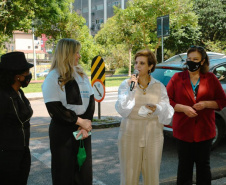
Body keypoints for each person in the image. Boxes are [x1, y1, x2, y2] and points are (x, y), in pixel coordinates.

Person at [166, 45, 226, 185]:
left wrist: (206, 104)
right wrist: (181, 108)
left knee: (203, 167)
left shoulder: (211, 78)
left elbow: (222, 100)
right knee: (184, 168)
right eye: (189, 59)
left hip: (205, 131)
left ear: (203, 61)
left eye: (196, 59)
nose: (191, 62)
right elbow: (166, 100)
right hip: (183, 131)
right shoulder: (177, 78)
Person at [115, 49, 174, 185]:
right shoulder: (126, 85)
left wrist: (157, 108)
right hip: (130, 133)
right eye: (136, 63)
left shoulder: (159, 86)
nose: (137, 66)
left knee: (152, 176)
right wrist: (131, 91)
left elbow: (168, 113)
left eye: (142, 63)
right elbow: (122, 110)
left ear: (150, 66)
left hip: (153, 134)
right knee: (129, 176)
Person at [42, 38, 94, 185]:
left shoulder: (81, 74)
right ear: (67, 54)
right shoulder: (52, 78)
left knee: (83, 173)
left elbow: (90, 100)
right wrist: (80, 121)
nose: (79, 56)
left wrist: (86, 122)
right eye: (76, 52)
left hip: (83, 129)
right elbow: (55, 108)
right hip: (63, 132)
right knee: (64, 173)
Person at [0, 52, 34, 185]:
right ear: (17, 76)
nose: (28, 76)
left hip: (22, 151)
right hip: (7, 157)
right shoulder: (3, 96)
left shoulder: (19, 92)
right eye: (26, 72)